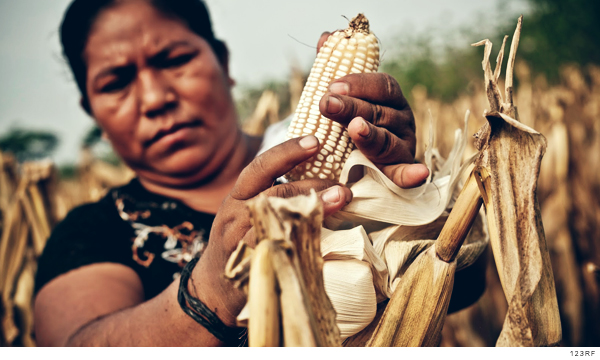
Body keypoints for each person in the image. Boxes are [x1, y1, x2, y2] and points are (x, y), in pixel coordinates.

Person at [33, 0, 446, 347]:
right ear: (92, 112)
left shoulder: (341, 154)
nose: (155, 98)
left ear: (224, 62)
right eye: (116, 83)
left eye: (174, 61)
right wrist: (212, 291)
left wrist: (399, 200)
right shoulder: (94, 231)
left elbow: (461, 291)